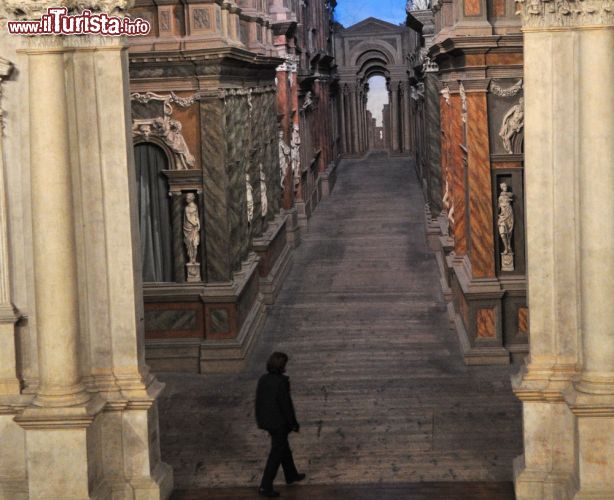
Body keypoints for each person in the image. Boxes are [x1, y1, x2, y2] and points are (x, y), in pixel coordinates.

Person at [255, 352, 305, 497]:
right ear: (282, 366)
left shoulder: (263, 379)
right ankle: (265, 486)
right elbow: (286, 405)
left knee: (283, 448)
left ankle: (291, 475)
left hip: (267, 421)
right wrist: (294, 424)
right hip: (279, 423)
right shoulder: (281, 382)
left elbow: (259, 401)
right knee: (276, 453)